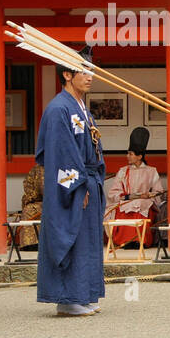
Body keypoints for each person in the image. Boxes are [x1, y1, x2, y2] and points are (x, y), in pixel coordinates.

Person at [35, 47, 105, 316]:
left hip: (89, 179)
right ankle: (66, 298)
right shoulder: (58, 109)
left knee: (87, 239)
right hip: (74, 182)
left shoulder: (82, 110)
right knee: (71, 236)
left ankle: (84, 293)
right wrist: (76, 185)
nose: (90, 76)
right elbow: (58, 153)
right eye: (83, 71)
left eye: (91, 71)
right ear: (66, 75)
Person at [104, 126, 165, 249]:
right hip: (126, 200)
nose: (128, 156)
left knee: (140, 205)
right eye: (128, 153)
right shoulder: (123, 171)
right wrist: (127, 196)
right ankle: (124, 241)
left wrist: (149, 195)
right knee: (126, 207)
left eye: (130, 154)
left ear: (139, 156)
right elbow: (113, 192)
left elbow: (159, 191)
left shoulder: (151, 171)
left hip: (145, 202)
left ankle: (139, 240)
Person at [17, 162, 44, 250]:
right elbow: (32, 187)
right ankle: (30, 244)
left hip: (56, 202)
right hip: (38, 201)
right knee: (29, 211)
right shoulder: (37, 168)